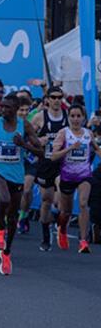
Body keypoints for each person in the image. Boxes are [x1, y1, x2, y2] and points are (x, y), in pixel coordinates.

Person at [0, 95, 43, 275]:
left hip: (16, 175)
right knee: (3, 199)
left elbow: (41, 152)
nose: (4, 110)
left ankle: (7, 252)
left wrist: (24, 144)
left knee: (14, 217)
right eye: (3, 107)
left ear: (17, 109)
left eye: (9, 108)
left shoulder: (24, 125)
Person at [48, 104, 94, 252]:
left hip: (84, 175)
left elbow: (96, 148)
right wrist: (69, 148)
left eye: (78, 116)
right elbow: (53, 156)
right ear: (68, 117)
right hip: (67, 176)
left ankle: (83, 240)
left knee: (83, 204)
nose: (75, 119)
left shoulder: (88, 133)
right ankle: (62, 229)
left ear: (83, 117)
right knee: (66, 211)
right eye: (72, 116)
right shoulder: (63, 133)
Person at [30, 87, 69, 251]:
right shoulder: (40, 117)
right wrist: (39, 140)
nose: (56, 100)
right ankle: (46, 235)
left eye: (59, 97)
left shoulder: (68, 117)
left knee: (60, 201)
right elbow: (28, 137)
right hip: (45, 163)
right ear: (47, 99)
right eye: (53, 97)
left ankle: (61, 226)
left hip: (63, 163)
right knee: (46, 200)